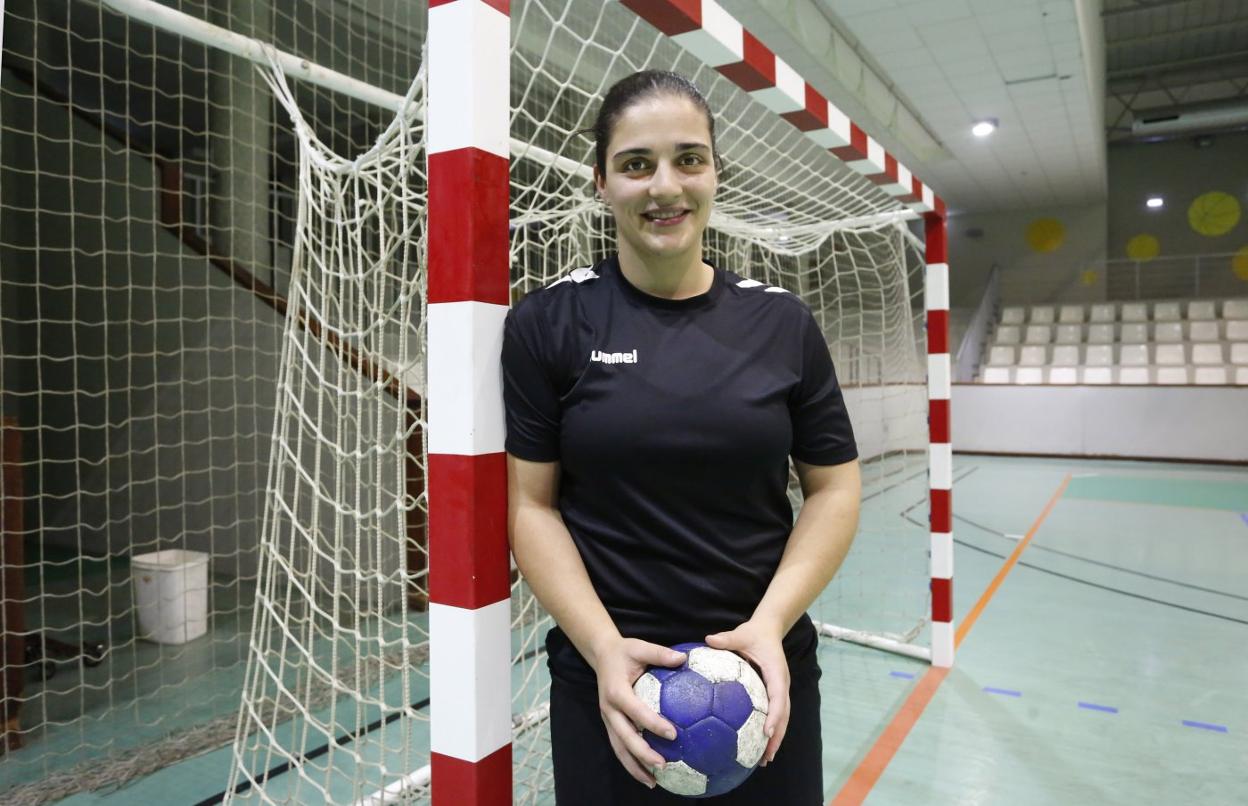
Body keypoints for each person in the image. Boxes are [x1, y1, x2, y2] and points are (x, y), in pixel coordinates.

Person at [503, 70, 862, 804]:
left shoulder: (781, 325)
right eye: (637, 164)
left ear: (715, 173)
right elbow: (530, 507)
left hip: (763, 681)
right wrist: (604, 650)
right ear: (601, 180)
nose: (665, 185)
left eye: (688, 159)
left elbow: (834, 487)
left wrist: (769, 626)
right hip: (612, 688)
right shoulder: (549, 324)